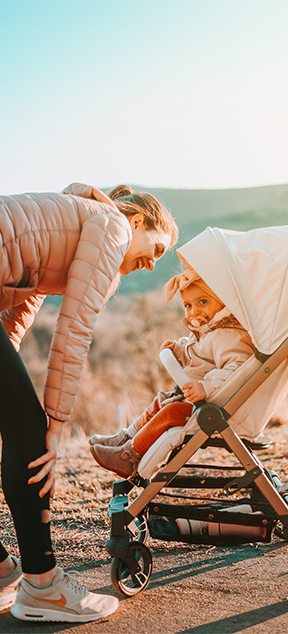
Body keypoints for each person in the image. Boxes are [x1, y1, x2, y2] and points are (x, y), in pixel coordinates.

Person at [0, 181, 178, 622]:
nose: (154, 264)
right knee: (30, 433)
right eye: (156, 247)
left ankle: (2, 570)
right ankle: (43, 586)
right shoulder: (112, 225)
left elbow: (18, 311)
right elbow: (74, 328)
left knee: (20, 422)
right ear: (136, 221)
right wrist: (55, 426)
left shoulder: (67, 222)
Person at [89, 269, 254, 478]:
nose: (193, 312)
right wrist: (177, 349)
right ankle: (125, 439)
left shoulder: (229, 336)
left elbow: (237, 371)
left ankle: (128, 457)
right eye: (188, 305)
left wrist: (206, 387)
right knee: (162, 401)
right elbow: (198, 353)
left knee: (170, 412)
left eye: (202, 302)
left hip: (219, 409)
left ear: (224, 301)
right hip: (203, 404)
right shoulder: (212, 331)